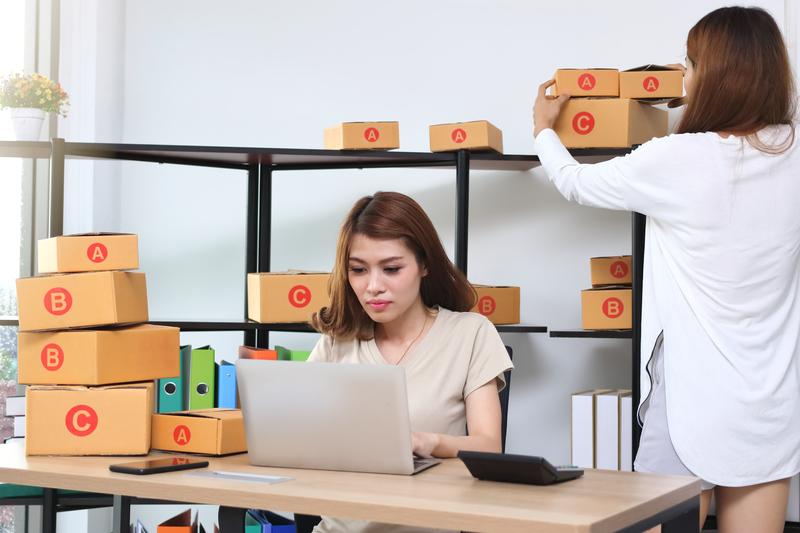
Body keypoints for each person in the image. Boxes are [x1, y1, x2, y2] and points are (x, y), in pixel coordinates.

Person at [532, 6, 798, 533]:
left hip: (689, 407)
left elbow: (576, 183)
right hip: (769, 410)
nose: (685, 76)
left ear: (712, 76)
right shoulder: (794, 157)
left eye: (690, 65)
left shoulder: (675, 158)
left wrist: (543, 128)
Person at [306, 191, 513, 533]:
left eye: (391, 269)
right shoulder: (335, 343)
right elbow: (299, 433)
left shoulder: (470, 333)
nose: (373, 286)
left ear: (424, 264)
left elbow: (489, 445)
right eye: (358, 270)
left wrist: (430, 443)